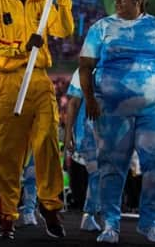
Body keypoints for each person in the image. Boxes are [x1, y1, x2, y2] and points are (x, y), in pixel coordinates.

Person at [79, 0, 155, 244]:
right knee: (112, 167)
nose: (117, 1)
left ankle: (149, 222)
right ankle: (111, 225)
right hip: (112, 110)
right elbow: (84, 65)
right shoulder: (102, 28)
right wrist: (90, 99)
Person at [0, 0, 74, 239]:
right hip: (8, 82)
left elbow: (64, 29)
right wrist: (22, 47)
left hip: (38, 80)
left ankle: (50, 206)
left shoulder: (43, 0)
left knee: (47, 141)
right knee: (8, 154)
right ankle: (7, 216)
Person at [64, 69, 101, 232]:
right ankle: (90, 215)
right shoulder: (83, 69)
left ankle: (95, 214)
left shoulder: (119, 64)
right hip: (89, 131)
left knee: (105, 174)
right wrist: (68, 134)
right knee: (97, 173)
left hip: (113, 131)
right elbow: (73, 102)